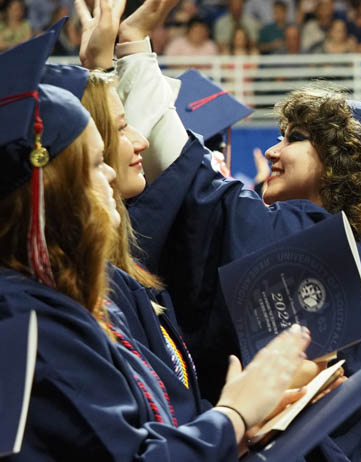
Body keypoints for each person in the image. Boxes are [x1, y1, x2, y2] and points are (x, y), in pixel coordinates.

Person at [0, 23, 314, 461]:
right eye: (94, 163)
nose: (109, 170)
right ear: (53, 190)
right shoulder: (29, 321)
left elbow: (154, 422)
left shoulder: (71, 296)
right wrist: (233, 416)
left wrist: (239, 423)